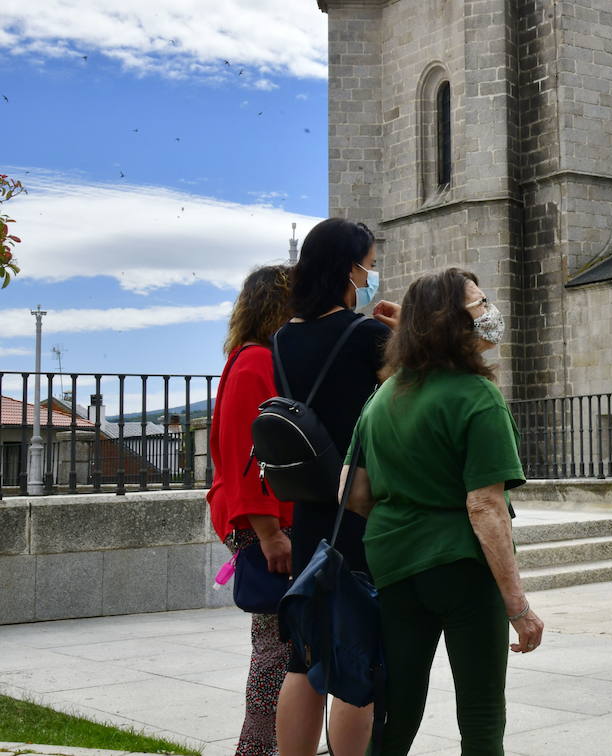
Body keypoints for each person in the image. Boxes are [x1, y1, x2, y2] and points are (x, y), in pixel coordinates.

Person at [341, 268, 543, 755]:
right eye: (478, 303)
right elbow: (485, 506)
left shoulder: (383, 396)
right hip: (462, 569)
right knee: (480, 713)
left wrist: (407, 515)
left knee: (398, 709)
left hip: (393, 565)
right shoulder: (477, 397)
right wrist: (519, 608)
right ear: (450, 321)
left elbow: (350, 490)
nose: (488, 311)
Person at [273, 218, 399, 756]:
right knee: (358, 657)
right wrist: (403, 333)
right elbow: (406, 401)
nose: (373, 274)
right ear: (351, 268)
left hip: (309, 510)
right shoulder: (369, 336)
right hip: (361, 509)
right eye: (370, 264)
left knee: (305, 654)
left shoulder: (283, 338)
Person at [206, 264, 295, 756]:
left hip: (268, 523)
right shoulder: (254, 363)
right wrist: (270, 533)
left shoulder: (253, 358)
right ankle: (257, 748)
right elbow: (249, 455)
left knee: (279, 645)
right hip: (267, 526)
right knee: (274, 648)